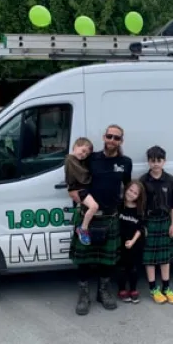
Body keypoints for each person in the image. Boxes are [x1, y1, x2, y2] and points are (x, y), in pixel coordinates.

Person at [69, 124, 132, 315]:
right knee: (84, 261)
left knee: (108, 261)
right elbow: (75, 180)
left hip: (110, 216)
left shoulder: (125, 162)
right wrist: (74, 193)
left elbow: (127, 186)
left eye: (117, 138)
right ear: (104, 137)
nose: (112, 140)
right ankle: (83, 294)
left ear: (121, 141)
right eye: (110, 136)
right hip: (88, 216)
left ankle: (103, 292)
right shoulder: (91, 158)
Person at [140, 145, 173, 305]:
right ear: (148, 162)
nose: (156, 164)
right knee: (149, 259)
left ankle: (166, 288)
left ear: (164, 161)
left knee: (165, 259)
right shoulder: (143, 180)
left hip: (165, 222)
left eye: (159, 161)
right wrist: (142, 225)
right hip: (149, 222)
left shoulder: (170, 180)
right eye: (152, 161)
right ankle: (153, 289)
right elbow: (140, 206)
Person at [64, 137, 99, 245]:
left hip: (80, 189)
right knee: (94, 207)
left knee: (86, 210)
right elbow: (83, 176)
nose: (84, 155)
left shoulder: (78, 160)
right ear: (74, 146)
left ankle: (83, 227)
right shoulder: (70, 160)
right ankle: (83, 229)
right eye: (83, 150)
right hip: (78, 189)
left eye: (87, 154)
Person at [117, 180, 147, 304]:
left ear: (139, 196)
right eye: (130, 190)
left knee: (133, 268)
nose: (131, 194)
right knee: (121, 268)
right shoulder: (119, 206)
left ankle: (133, 289)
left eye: (135, 193)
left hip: (135, 243)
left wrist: (132, 241)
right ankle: (122, 289)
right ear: (126, 189)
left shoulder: (139, 210)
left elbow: (140, 228)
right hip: (120, 242)